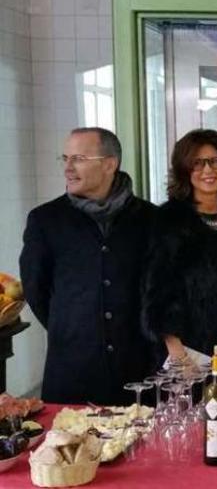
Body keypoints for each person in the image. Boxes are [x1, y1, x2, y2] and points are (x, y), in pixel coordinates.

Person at [20, 127, 155, 405]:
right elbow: (37, 290)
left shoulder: (150, 219)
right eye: (65, 158)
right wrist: (75, 327)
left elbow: (157, 290)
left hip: (137, 372)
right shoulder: (45, 220)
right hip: (72, 372)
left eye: (79, 158)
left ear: (109, 164)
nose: (68, 168)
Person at [142, 129, 217, 365]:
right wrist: (179, 356)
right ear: (184, 170)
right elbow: (157, 295)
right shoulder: (168, 220)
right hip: (189, 354)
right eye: (198, 163)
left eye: (215, 161)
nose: (208, 170)